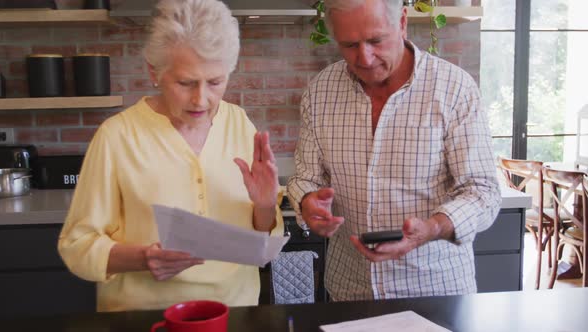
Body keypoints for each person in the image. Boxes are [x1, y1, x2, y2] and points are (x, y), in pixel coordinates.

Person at [58, 0, 282, 312]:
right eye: (185, 82)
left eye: (215, 82)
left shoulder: (239, 124)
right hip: (143, 317)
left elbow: (263, 240)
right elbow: (77, 246)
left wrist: (265, 205)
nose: (201, 99)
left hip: (234, 314)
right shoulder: (117, 136)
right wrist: (143, 258)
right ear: (155, 71)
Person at [287, 0, 501, 301]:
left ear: (402, 22)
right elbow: (305, 178)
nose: (364, 57)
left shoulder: (454, 89)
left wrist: (432, 228)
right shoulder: (320, 91)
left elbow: (483, 192)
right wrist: (309, 202)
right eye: (349, 45)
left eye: (376, 40)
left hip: (436, 291)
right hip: (350, 291)